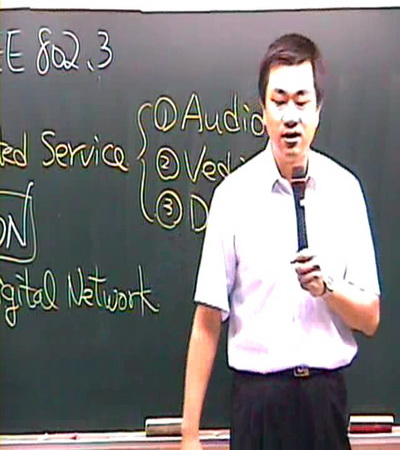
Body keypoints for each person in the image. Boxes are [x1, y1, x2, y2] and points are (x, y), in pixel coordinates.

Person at [181, 33, 380, 450]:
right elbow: (207, 321)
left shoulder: (345, 192)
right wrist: (189, 436)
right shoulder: (233, 196)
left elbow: (370, 318)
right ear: (263, 110)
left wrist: (329, 288)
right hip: (257, 405)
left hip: (323, 404)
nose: (291, 116)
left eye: (302, 101)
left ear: (318, 109)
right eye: (279, 101)